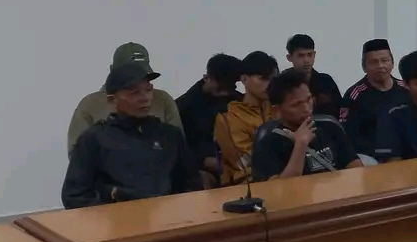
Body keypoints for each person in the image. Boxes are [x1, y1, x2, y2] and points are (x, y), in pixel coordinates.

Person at [62, 62, 201, 209]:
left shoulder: (169, 135)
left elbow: (192, 185)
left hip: (167, 219)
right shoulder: (94, 139)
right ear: (112, 100)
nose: (145, 98)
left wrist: (173, 210)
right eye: (134, 93)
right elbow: (74, 196)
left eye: (148, 90)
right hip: (116, 221)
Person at [68, 43, 183, 154]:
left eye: (142, 74)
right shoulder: (90, 105)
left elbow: (179, 148)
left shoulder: (163, 100)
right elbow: (77, 154)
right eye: (130, 79)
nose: (144, 98)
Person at [251, 71, 362, 180]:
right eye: (296, 104)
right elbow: (279, 188)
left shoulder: (330, 127)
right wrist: (301, 144)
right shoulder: (267, 145)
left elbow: (356, 168)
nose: (306, 108)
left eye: (308, 99)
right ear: (277, 110)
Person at [214, 51, 278, 186]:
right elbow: (243, 163)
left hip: (283, 176)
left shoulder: (277, 109)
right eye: (262, 78)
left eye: (272, 79)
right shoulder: (229, 117)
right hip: (246, 185)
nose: (269, 84)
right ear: (244, 80)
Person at [176, 53, 242, 185]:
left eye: (230, 87)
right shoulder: (184, 106)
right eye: (220, 88)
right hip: (204, 166)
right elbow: (180, 146)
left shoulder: (238, 100)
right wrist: (203, 161)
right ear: (206, 78)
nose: (225, 93)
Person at [339, 39, 410, 159]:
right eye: (373, 62)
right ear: (364, 66)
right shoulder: (354, 95)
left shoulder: (406, 90)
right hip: (370, 159)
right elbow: (346, 135)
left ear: (392, 62)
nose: (380, 66)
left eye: (385, 60)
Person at [285, 34, 343, 119]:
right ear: (289, 57)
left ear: (314, 54)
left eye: (309, 55)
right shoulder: (283, 84)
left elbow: (341, 112)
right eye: (301, 56)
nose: (306, 60)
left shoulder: (326, 82)